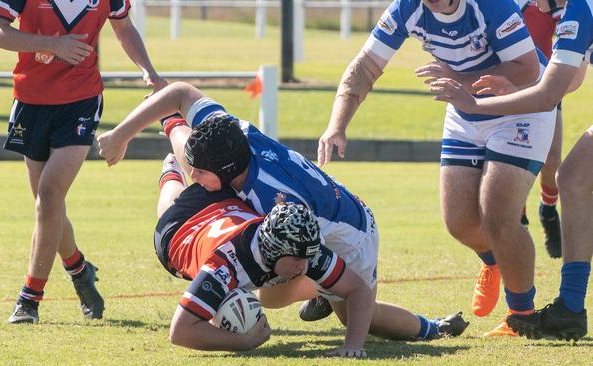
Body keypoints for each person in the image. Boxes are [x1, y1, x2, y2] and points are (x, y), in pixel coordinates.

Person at [96, 81, 469, 342]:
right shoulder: (231, 133)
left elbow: (285, 246)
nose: (195, 176)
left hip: (353, 231)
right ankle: (320, 288)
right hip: (313, 214)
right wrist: (122, 134)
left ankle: (431, 328)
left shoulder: (277, 204)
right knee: (270, 293)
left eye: (200, 172)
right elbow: (179, 92)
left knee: (354, 313)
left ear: (227, 174)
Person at [316, 0, 557, 336]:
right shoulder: (405, 8)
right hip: (464, 109)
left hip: (521, 106)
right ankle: (495, 261)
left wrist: (458, 80)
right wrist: (336, 126)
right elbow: (365, 67)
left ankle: (522, 314)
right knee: (458, 222)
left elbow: (527, 68)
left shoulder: (489, 5)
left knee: (498, 212)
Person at [154, 152, 468, 357]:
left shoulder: (300, 247)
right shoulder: (223, 266)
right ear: (276, 251)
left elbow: (358, 289)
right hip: (181, 231)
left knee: (306, 296)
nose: (307, 265)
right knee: (170, 202)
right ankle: (170, 167)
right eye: (299, 260)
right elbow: (180, 331)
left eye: (309, 258)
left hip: (230, 213)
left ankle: (431, 326)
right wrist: (243, 342)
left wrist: (352, 348)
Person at [0, 0, 167, 324]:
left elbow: (124, 29)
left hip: (80, 101)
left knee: (50, 195)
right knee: (47, 206)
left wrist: (149, 71)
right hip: (30, 101)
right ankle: (79, 269)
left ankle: (29, 299)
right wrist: (52, 44)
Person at [429, 0, 590, 341]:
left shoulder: (581, 9)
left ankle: (570, 306)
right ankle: (571, 308)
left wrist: (474, 103)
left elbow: (550, 94)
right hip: (532, 95)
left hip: (535, 101)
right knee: (573, 176)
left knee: (568, 173)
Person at [517, 0, 565, 259]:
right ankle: (518, 217)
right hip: (510, 89)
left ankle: (548, 211)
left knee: (552, 159)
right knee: (514, 156)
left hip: (548, 87)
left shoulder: (548, 2)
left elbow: (571, 27)